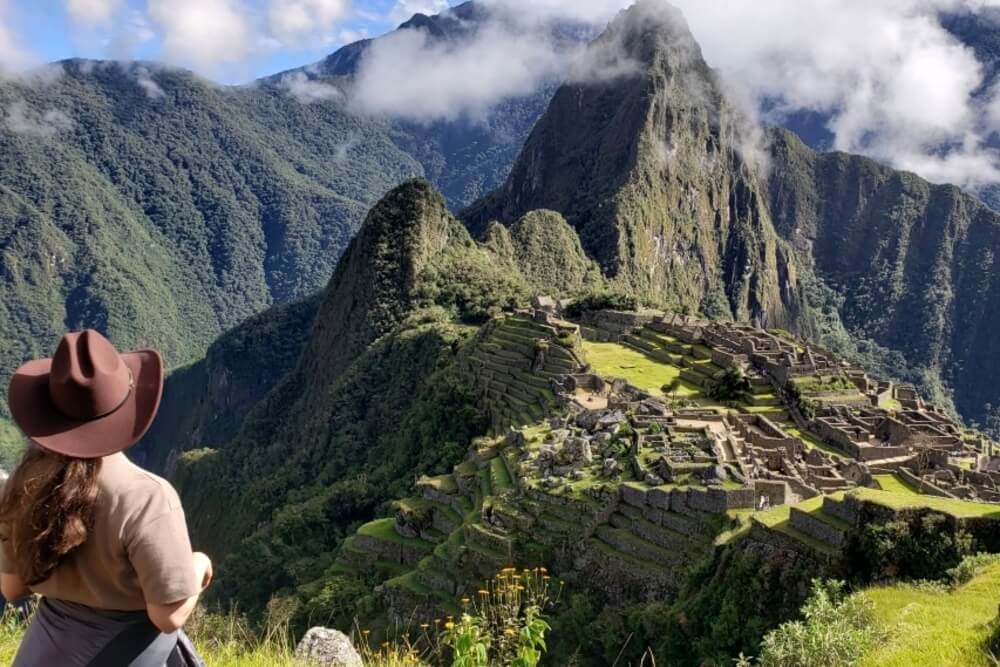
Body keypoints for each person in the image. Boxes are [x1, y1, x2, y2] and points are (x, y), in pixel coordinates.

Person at [0, 329, 211, 666]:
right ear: (124, 409)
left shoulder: (23, 484)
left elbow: (12, 588)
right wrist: (199, 566)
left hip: (41, 654)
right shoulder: (146, 498)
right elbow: (167, 616)